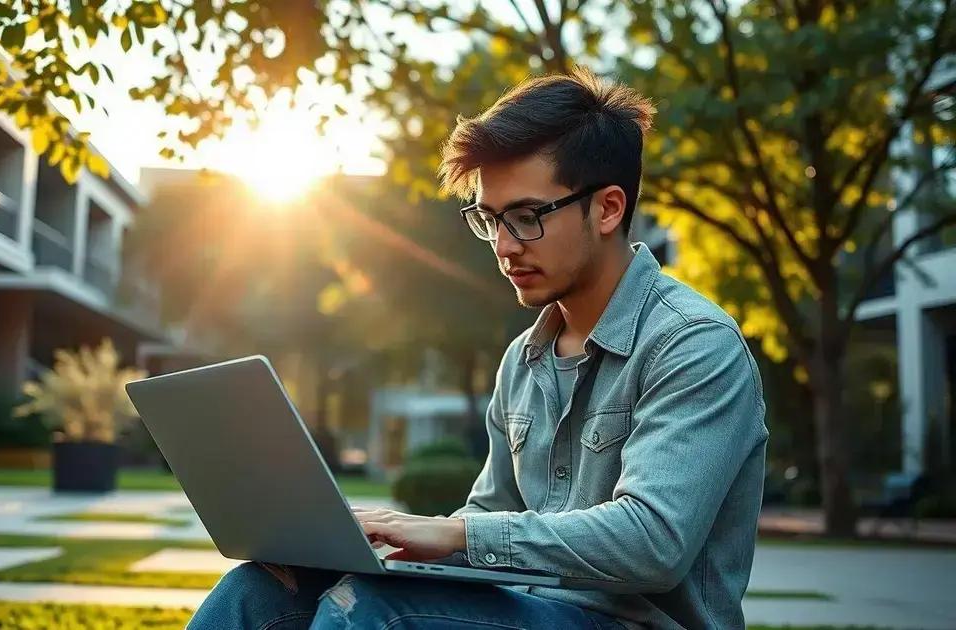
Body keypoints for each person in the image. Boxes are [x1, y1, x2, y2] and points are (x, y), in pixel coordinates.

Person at [188, 66, 768, 629]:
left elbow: (653, 543)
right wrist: (395, 543)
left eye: (526, 217)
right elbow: (490, 518)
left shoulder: (693, 345)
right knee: (263, 587)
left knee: (376, 612)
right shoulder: (524, 358)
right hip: (519, 613)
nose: (505, 246)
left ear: (609, 208)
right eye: (490, 220)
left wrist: (456, 535)